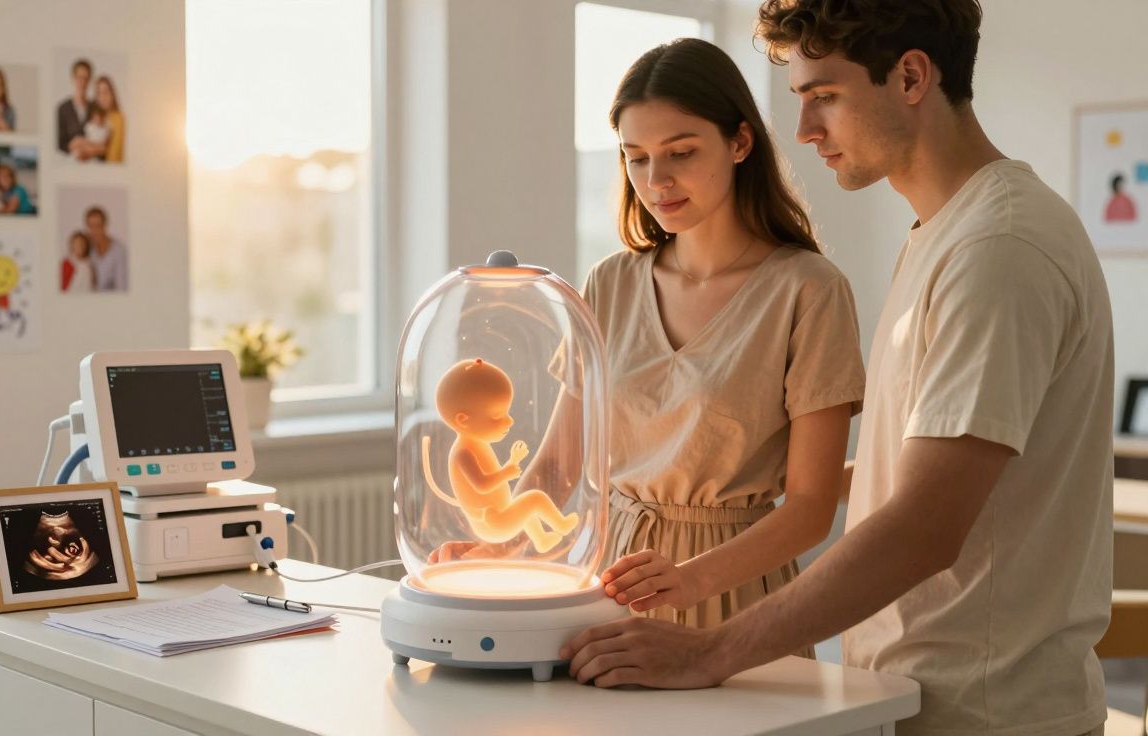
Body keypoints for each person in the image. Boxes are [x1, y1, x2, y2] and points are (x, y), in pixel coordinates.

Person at [565, 4, 1115, 736]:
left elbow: (925, 525)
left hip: (986, 713)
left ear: (912, 76)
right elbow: (913, 474)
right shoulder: (943, 236)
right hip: (910, 691)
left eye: (823, 95)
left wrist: (711, 649)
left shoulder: (998, 249)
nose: (803, 132)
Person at [440, 38, 865, 638]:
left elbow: (810, 509)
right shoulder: (610, 282)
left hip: (733, 592)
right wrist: (498, 547)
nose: (656, 179)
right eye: (635, 157)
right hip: (609, 577)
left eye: (680, 152)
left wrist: (690, 580)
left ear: (740, 143)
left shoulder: (808, 290)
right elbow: (562, 463)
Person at [85, 206, 128, 290]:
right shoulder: (87, 249)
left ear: (105, 226)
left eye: (98, 226)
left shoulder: (119, 251)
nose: (94, 231)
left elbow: (121, 289)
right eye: (90, 226)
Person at [56, 59, 92, 154]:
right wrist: (72, 145)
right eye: (79, 77)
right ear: (72, 78)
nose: (82, 82)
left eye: (86, 78)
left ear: (90, 80)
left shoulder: (95, 108)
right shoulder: (62, 108)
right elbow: (59, 144)